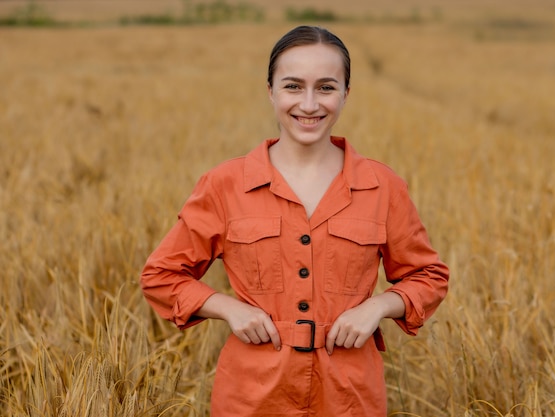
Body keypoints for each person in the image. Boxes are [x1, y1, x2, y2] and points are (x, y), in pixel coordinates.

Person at [141, 25, 449, 417]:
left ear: (345, 94)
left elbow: (429, 276)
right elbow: (161, 275)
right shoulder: (224, 184)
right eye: (292, 86)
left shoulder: (382, 186)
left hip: (350, 393)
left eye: (325, 87)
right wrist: (227, 308)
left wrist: (378, 307)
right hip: (251, 394)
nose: (308, 104)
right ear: (270, 91)